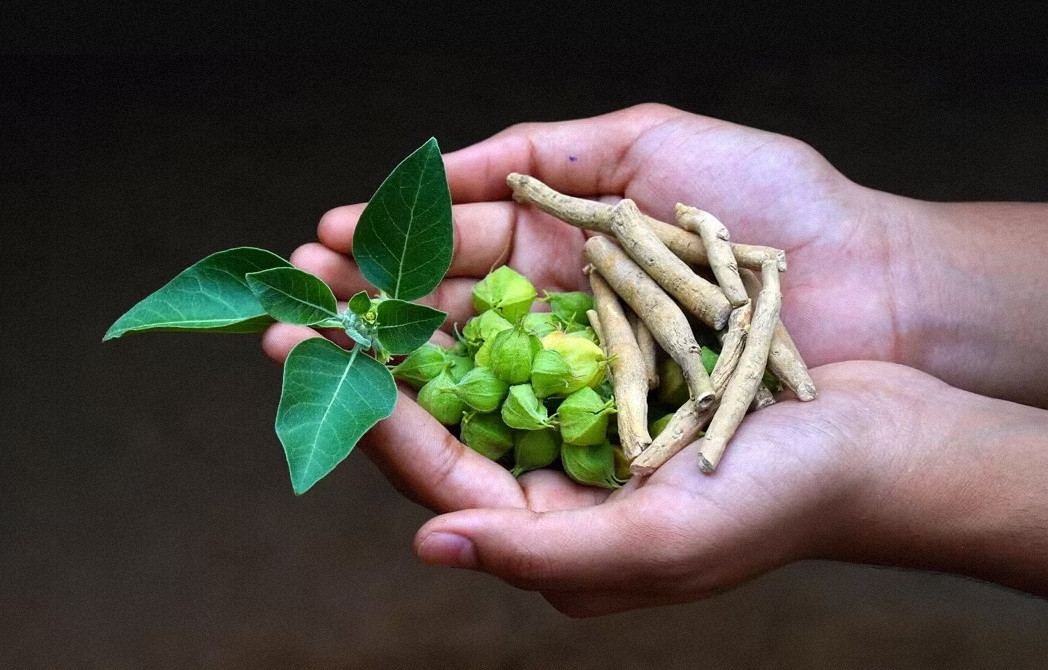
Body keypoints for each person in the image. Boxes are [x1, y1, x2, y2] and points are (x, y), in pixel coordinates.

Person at [261, 103, 1048, 617]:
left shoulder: (636, 295)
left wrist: (884, 460)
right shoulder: (575, 331)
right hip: (646, 343)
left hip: (670, 332)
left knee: (683, 343)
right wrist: (897, 276)